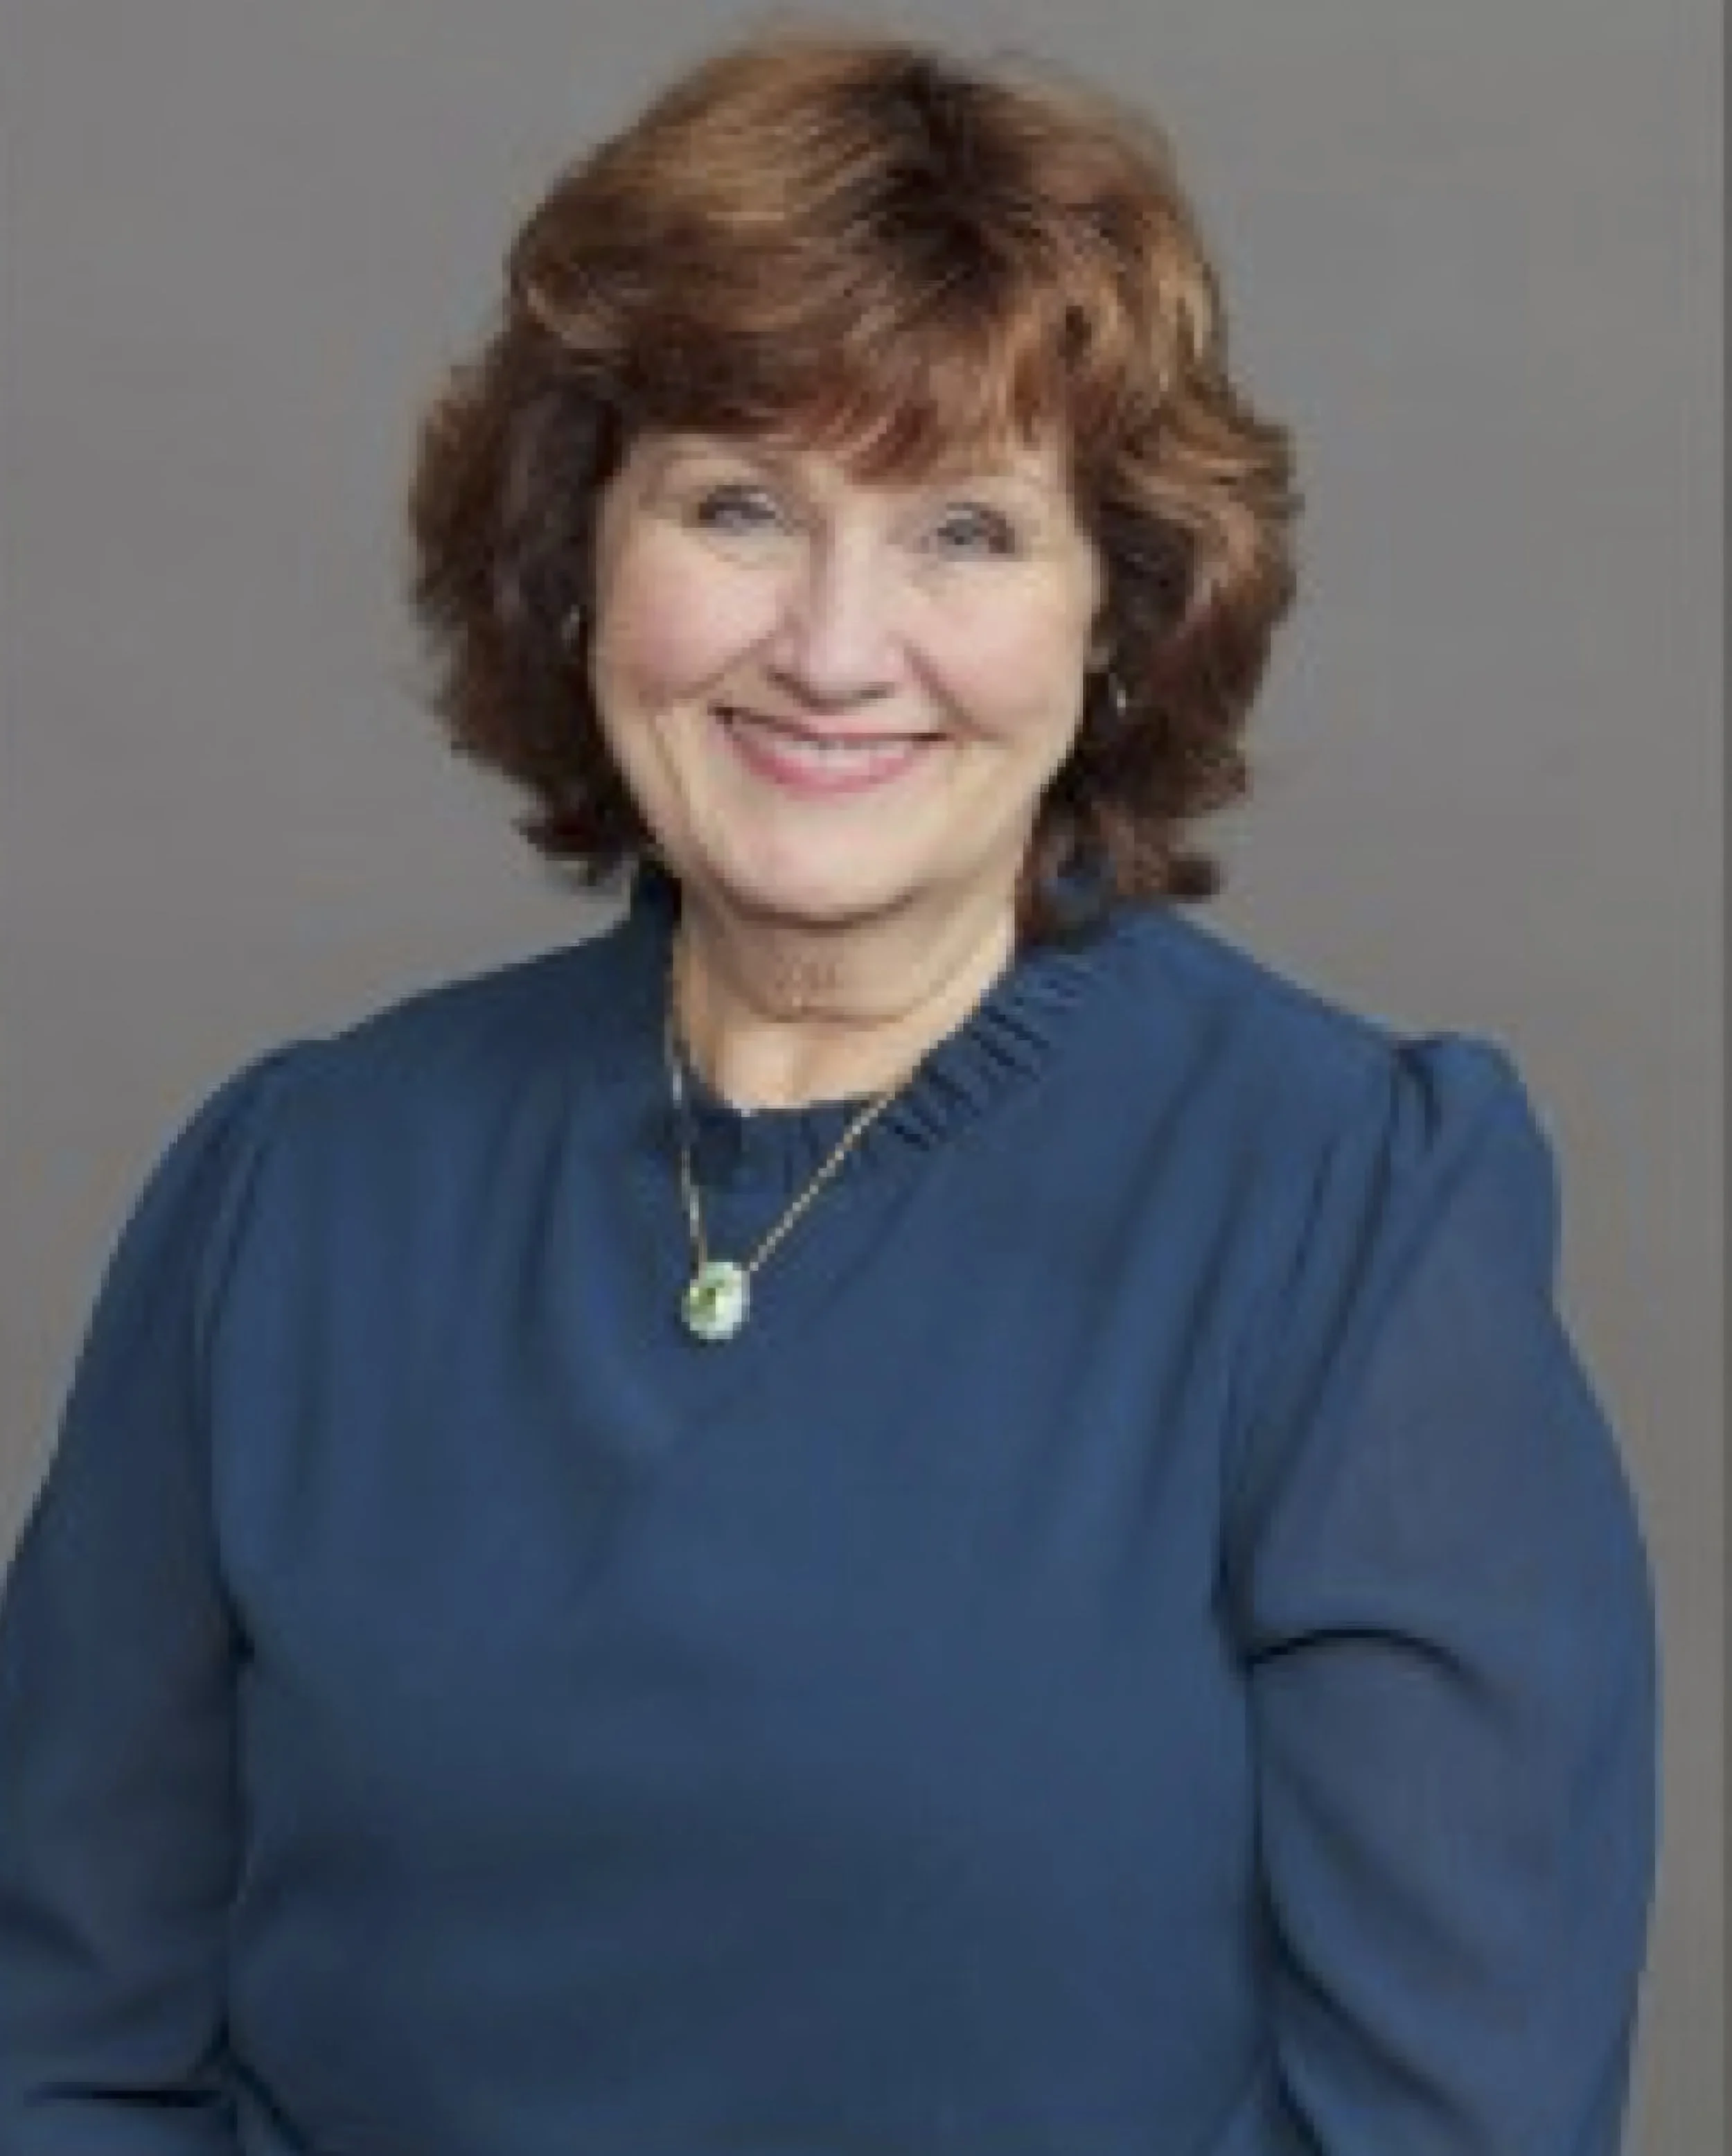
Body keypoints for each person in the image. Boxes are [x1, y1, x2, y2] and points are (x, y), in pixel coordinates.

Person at [0, 30, 1655, 2155]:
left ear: (1118, 625)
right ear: (577, 554)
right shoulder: (291, 1190)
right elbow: (57, 2054)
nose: (834, 645)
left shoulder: (1345, 1216)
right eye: (739, 506)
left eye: (964, 529)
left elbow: (1456, 2125)